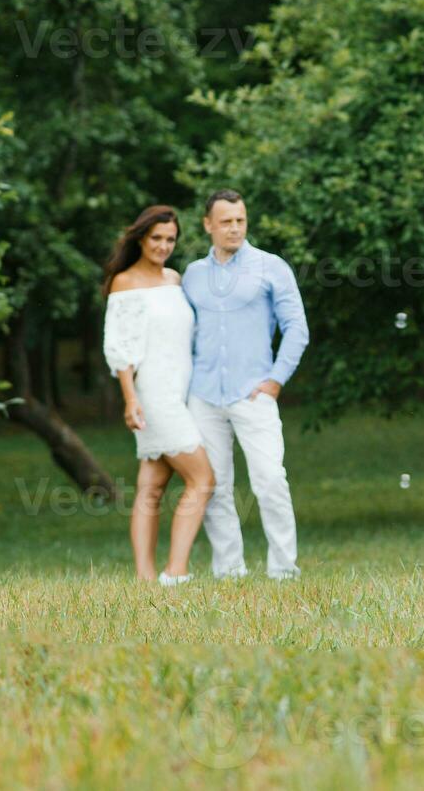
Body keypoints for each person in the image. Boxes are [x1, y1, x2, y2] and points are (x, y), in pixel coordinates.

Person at [182, 190, 309, 580]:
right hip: (202, 395)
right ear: (208, 225)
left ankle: (284, 570)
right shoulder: (192, 275)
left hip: (254, 393)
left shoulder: (272, 267)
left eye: (240, 219)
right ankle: (229, 571)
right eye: (226, 221)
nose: (234, 227)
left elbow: (296, 329)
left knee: (270, 478)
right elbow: (184, 333)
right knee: (216, 485)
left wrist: (275, 381)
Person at [101, 205, 216, 586]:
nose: (164, 246)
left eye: (170, 239)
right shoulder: (125, 282)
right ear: (140, 239)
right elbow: (120, 349)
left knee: (151, 487)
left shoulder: (174, 279)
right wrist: (130, 399)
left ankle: (145, 580)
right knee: (203, 479)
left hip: (182, 392)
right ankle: (176, 572)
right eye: (156, 238)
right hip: (154, 396)